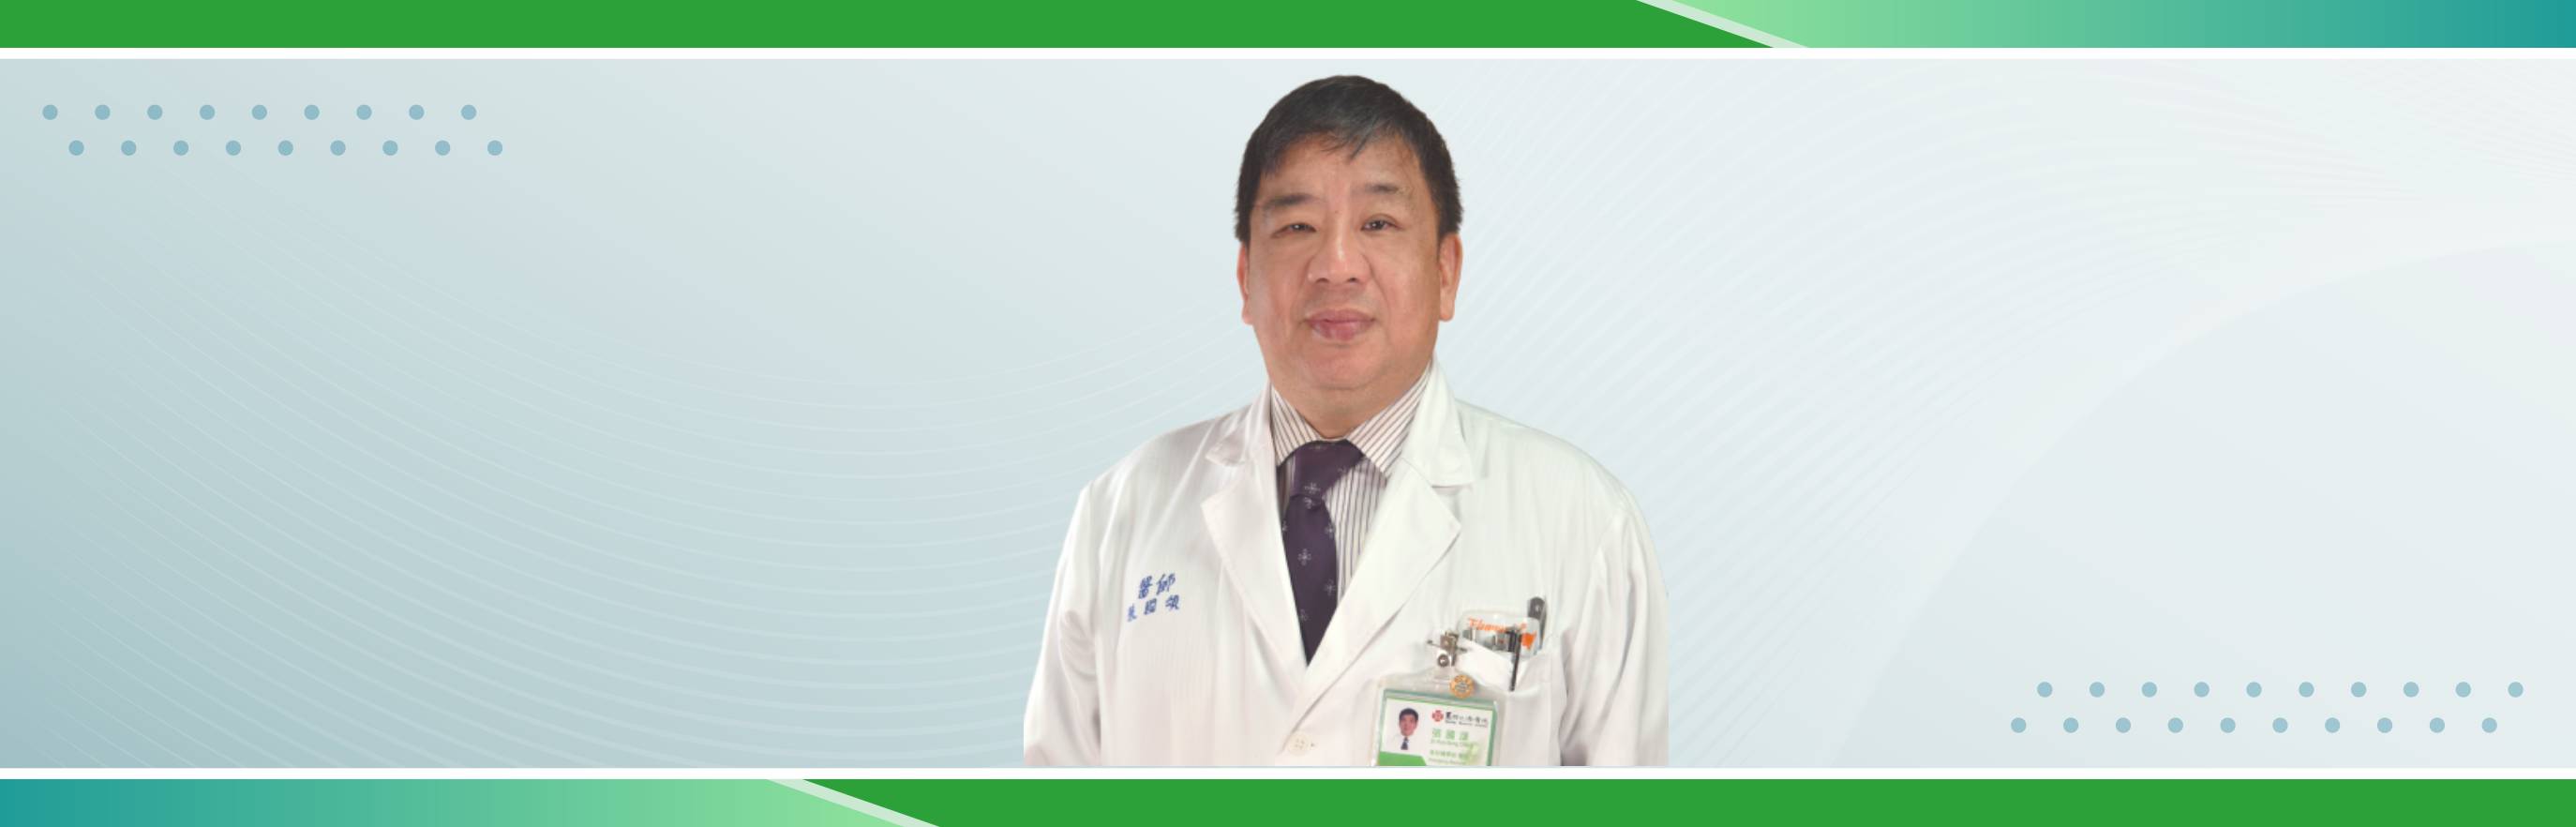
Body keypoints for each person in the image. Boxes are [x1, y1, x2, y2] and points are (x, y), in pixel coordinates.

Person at [1023, 74, 1668, 766]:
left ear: (1446, 272)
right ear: (1245, 278)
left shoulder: (1582, 523)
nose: (1336, 266)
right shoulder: (1122, 512)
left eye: (1378, 224)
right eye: (1297, 226)